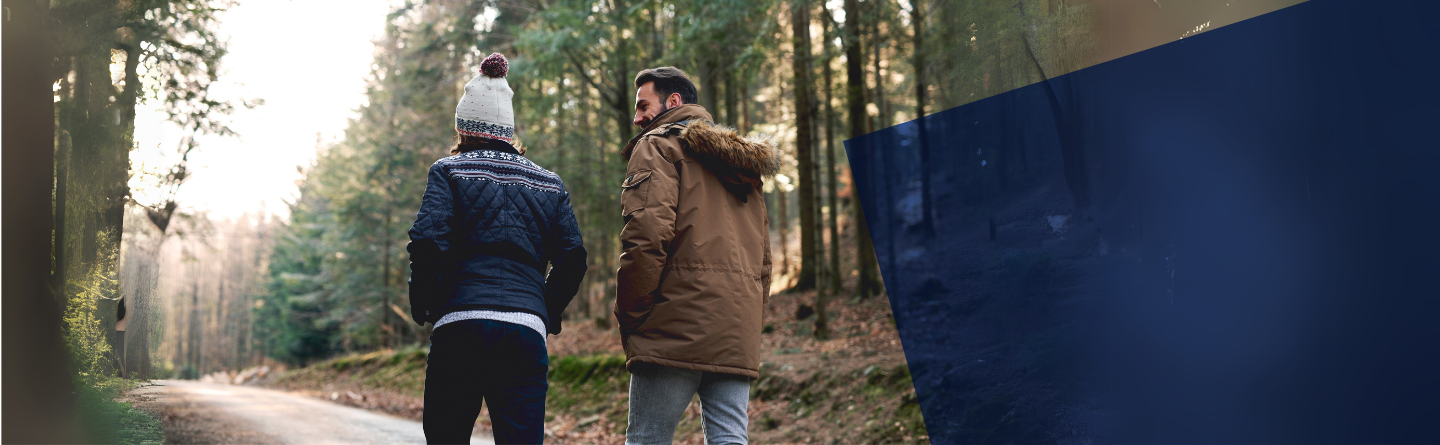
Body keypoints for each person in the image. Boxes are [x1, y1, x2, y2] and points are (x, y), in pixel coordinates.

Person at [407, 52, 587, 445]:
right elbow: (573, 258)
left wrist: (426, 301)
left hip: (460, 325)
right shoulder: (550, 183)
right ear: (508, 130)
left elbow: (427, 243)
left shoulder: (448, 171)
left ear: (464, 128)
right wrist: (545, 308)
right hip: (524, 331)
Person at [615, 67, 778, 445]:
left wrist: (633, 315)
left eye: (643, 105)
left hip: (673, 323)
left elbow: (645, 238)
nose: (637, 118)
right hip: (735, 326)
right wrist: (749, 318)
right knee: (729, 438)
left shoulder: (657, 146)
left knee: (646, 439)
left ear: (674, 102)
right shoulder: (744, 165)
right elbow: (764, 261)